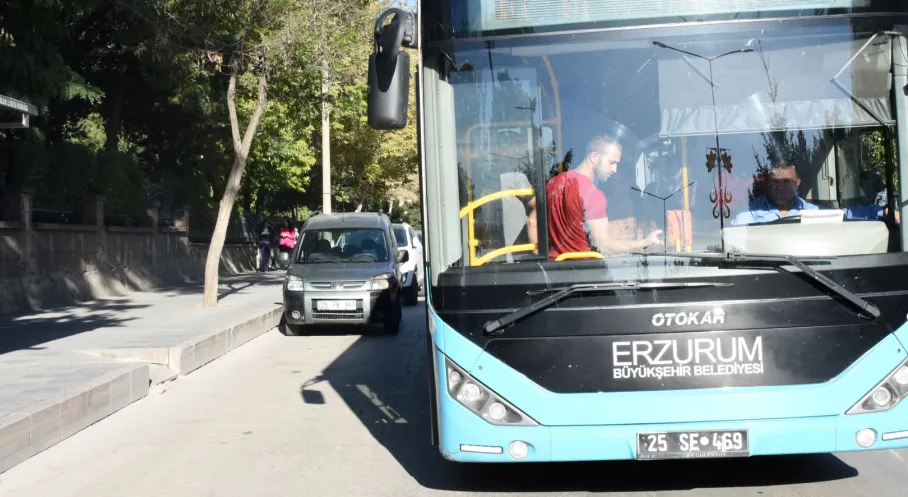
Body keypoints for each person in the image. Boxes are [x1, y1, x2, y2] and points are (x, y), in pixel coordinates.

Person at [543, 135, 662, 260]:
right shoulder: (593, 195)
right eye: (611, 163)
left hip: (554, 268)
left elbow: (533, 222)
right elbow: (603, 245)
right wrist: (644, 243)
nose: (615, 169)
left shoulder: (553, 183)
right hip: (584, 270)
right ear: (593, 157)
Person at [733, 161, 901, 225]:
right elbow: (734, 240)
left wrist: (881, 211)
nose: (779, 187)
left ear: (797, 185)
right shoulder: (751, 213)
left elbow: (844, 215)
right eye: (774, 182)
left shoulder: (811, 212)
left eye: (786, 182)